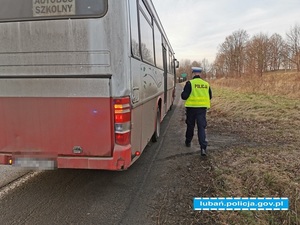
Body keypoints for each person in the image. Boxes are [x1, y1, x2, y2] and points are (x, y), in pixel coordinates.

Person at [181, 67, 212, 156]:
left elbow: (184, 96)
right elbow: (210, 96)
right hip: (202, 109)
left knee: (190, 126)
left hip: (191, 108)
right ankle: (203, 148)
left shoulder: (189, 83)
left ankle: (188, 141)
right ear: (200, 74)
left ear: (193, 73)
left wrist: (183, 93)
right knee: (201, 127)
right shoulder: (206, 84)